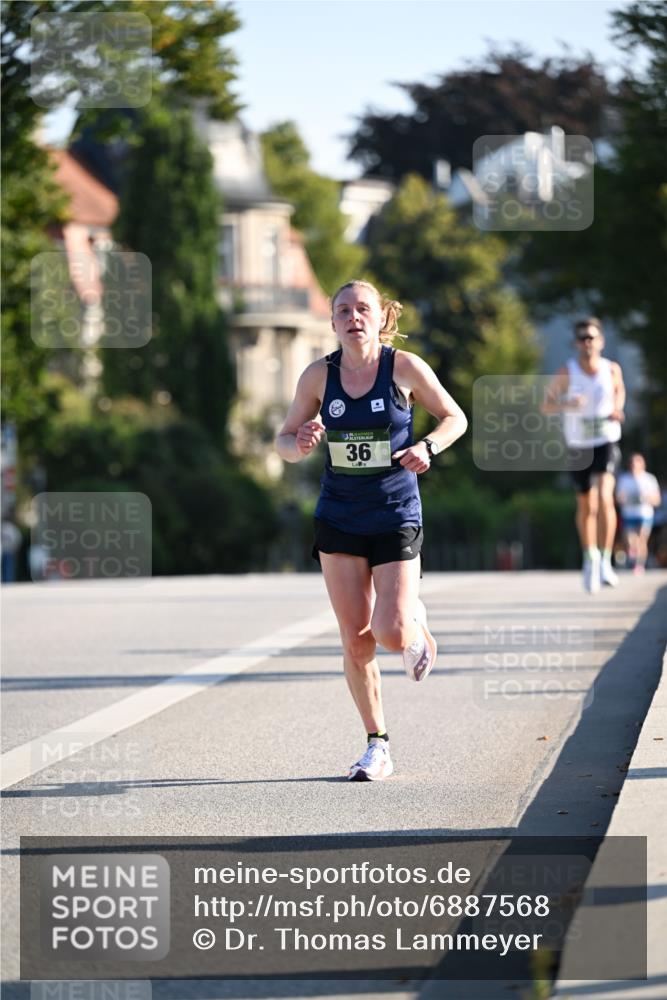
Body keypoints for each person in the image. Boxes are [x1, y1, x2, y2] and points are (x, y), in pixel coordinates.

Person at [276, 280, 467, 781]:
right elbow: (283, 441)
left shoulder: (402, 368)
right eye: (343, 310)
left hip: (395, 512)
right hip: (338, 516)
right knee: (356, 640)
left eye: (363, 308)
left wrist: (428, 448)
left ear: (381, 317)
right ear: (334, 321)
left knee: (389, 632)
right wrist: (299, 440)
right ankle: (377, 743)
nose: (353, 317)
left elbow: (455, 417)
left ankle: (412, 620)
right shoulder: (319, 376)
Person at [542, 317, 625, 594]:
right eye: (581, 338)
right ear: (576, 343)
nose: (586, 343)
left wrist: (617, 408)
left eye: (591, 337)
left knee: (605, 499)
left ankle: (605, 560)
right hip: (578, 444)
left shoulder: (612, 369)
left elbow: (619, 391)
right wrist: (567, 402)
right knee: (587, 505)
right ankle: (589, 558)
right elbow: (546, 405)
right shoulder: (568, 371)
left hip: (606, 440)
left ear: (600, 341)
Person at [616, 453, 661, 574]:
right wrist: (623, 499)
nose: (633, 466)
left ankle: (639, 564)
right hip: (628, 514)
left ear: (642, 465)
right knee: (631, 541)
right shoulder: (624, 479)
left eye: (636, 463)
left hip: (644, 514)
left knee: (642, 539)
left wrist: (647, 498)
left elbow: (657, 500)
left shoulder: (649, 479)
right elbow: (618, 498)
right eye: (632, 464)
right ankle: (632, 553)